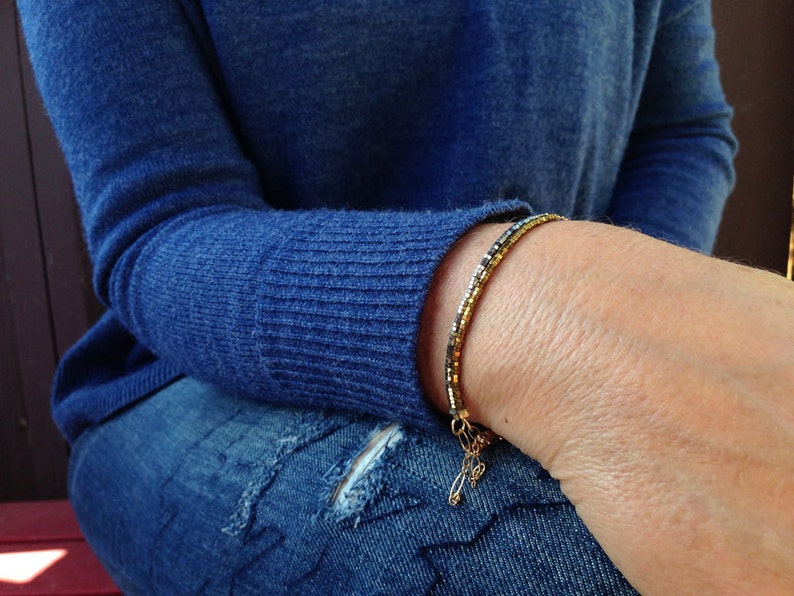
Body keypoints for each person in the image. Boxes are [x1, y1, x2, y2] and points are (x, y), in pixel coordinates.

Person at [18, 1, 794, 593]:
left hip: (572, 371)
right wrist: (534, 309)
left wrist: (623, 338)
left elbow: (683, 128)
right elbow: (159, 230)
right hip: (199, 382)